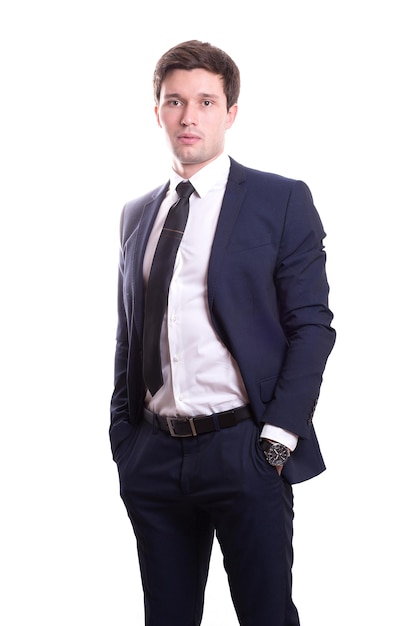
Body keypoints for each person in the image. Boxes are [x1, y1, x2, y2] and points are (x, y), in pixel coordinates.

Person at [110, 39, 336, 626]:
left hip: (245, 447)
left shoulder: (279, 200)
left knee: (265, 616)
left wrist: (277, 439)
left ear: (230, 112)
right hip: (155, 454)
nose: (190, 117)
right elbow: (129, 331)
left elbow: (312, 325)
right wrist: (125, 440)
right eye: (174, 101)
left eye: (206, 101)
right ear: (156, 110)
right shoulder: (138, 213)